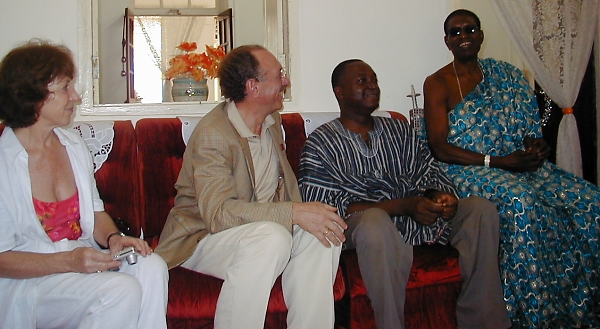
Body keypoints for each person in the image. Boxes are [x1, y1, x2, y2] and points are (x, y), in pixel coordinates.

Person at [298, 59, 510, 329]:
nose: (372, 86)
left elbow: (428, 173)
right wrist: (402, 206)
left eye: (374, 79)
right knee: (374, 221)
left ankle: (483, 321)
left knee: (480, 210)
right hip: (361, 228)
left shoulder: (399, 130)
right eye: (362, 81)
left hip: (415, 219)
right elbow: (324, 211)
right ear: (339, 92)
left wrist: (439, 197)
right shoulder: (320, 143)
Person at [423, 8, 600, 328]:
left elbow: (530, 131)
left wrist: (537, 148)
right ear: (447, 41)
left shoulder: (508, 75)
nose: (464, 36)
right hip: (467, 170)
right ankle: (532, 312)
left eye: (470, 29)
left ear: (480, 35)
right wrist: (497, 162)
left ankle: (581, 302)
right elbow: (439, 147)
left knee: (589, 199)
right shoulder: (437, 82)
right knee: (521, 201)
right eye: (456, 32)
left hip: (519, 164)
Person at [155, 44, 347, 329]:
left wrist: (307, 216)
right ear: (253, 87)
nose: (286, 81)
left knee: (324, 232)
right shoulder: (213, 134)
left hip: (260, 231)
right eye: (279, 75)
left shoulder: (271, 121)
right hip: (202, 237)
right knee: (272, 237)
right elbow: (218, 214)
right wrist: (294, 212)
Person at [0, 40, 168, 329]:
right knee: (120, 290)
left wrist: (114, 239)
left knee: (152, 266)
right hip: (30, 282)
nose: (75, 97)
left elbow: (95, 212)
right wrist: (70, 262)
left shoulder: (73, 144)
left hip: (79, 262)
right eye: (65, 88)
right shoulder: (4, 162)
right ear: (33, 95)